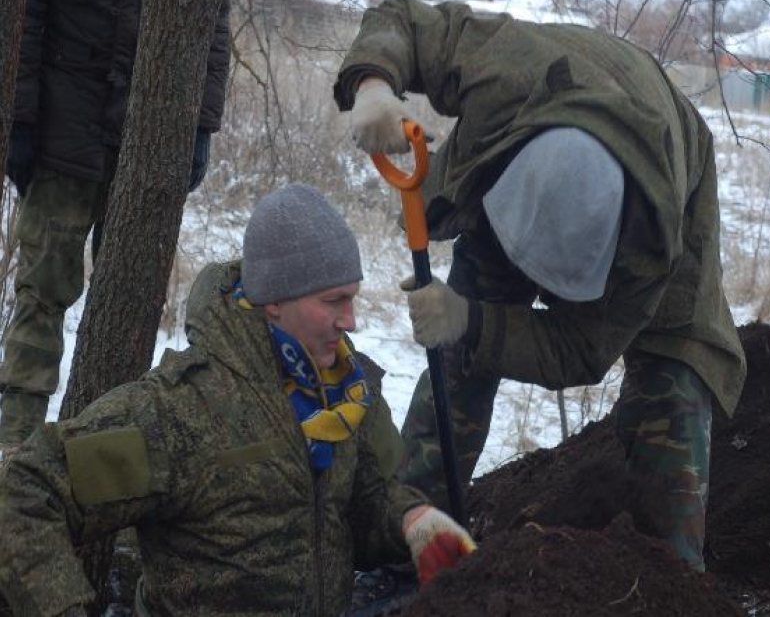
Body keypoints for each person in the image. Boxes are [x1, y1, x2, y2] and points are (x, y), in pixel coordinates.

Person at [333, 0, 747, 572]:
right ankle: (410, 533)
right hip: (528, 141)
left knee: (673, 391)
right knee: (457, 353)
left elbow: (581, 348)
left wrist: (472, 317)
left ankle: (668, 577)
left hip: (664, 159)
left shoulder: (653, 237)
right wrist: (374, 82)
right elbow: (401, 18)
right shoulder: (506, 69)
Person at [0, 184, 476, 616]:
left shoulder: (346, 391)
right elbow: (23, 492)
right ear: (274, 300)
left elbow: (359, 504)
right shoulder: (182, 409)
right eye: (333, 301)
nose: (350, 321)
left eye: (352, 298)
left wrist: (409, 519)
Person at [0, 0, 231, 458]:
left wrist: (200, 127)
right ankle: (17, 444)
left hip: (145, 147)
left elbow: (213, 27)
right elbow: (25, 13)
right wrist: (20, 116)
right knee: (42, 292)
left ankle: (99, 449)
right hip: (63, 137)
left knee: (126, 301)